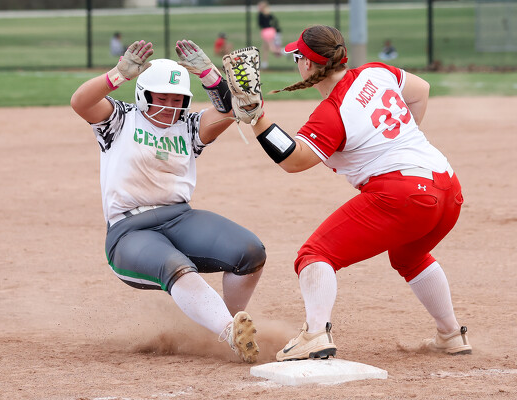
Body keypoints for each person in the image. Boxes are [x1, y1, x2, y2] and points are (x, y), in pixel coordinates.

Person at [227, 25, 472, 361]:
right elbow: (421, 90)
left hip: (404, 195)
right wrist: (396, 144)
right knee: (409, 257)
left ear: (308, 64)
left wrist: (258, 119)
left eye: (298, 57)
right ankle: (450, 334)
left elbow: (294, 160)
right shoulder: (376, 72)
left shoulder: (333, 111)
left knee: (315, 254)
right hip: (447, 187)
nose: (297, 63)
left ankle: (315, 334)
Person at [70, 39, 266, 363]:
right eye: (161, 98)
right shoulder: (120, 119)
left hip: (180, 218)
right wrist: (118, 74)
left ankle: (228, 328)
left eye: (178, 99)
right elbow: (80, 102)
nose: (170, 106)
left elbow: (233, 110)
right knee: (176, 266)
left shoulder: (188, 126)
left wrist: (209, 75)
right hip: (129, 231)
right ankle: (227, 330)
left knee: (250, 252)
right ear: (143, 95)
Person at [257, 1, 282, 69]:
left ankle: (283, 52)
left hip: (266, 32)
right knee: (265, 48)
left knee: (271, 48)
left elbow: (260, 24)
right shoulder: (269, 14)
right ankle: (264, 63)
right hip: (271, 30)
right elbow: (275, 22)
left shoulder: (260, 14)